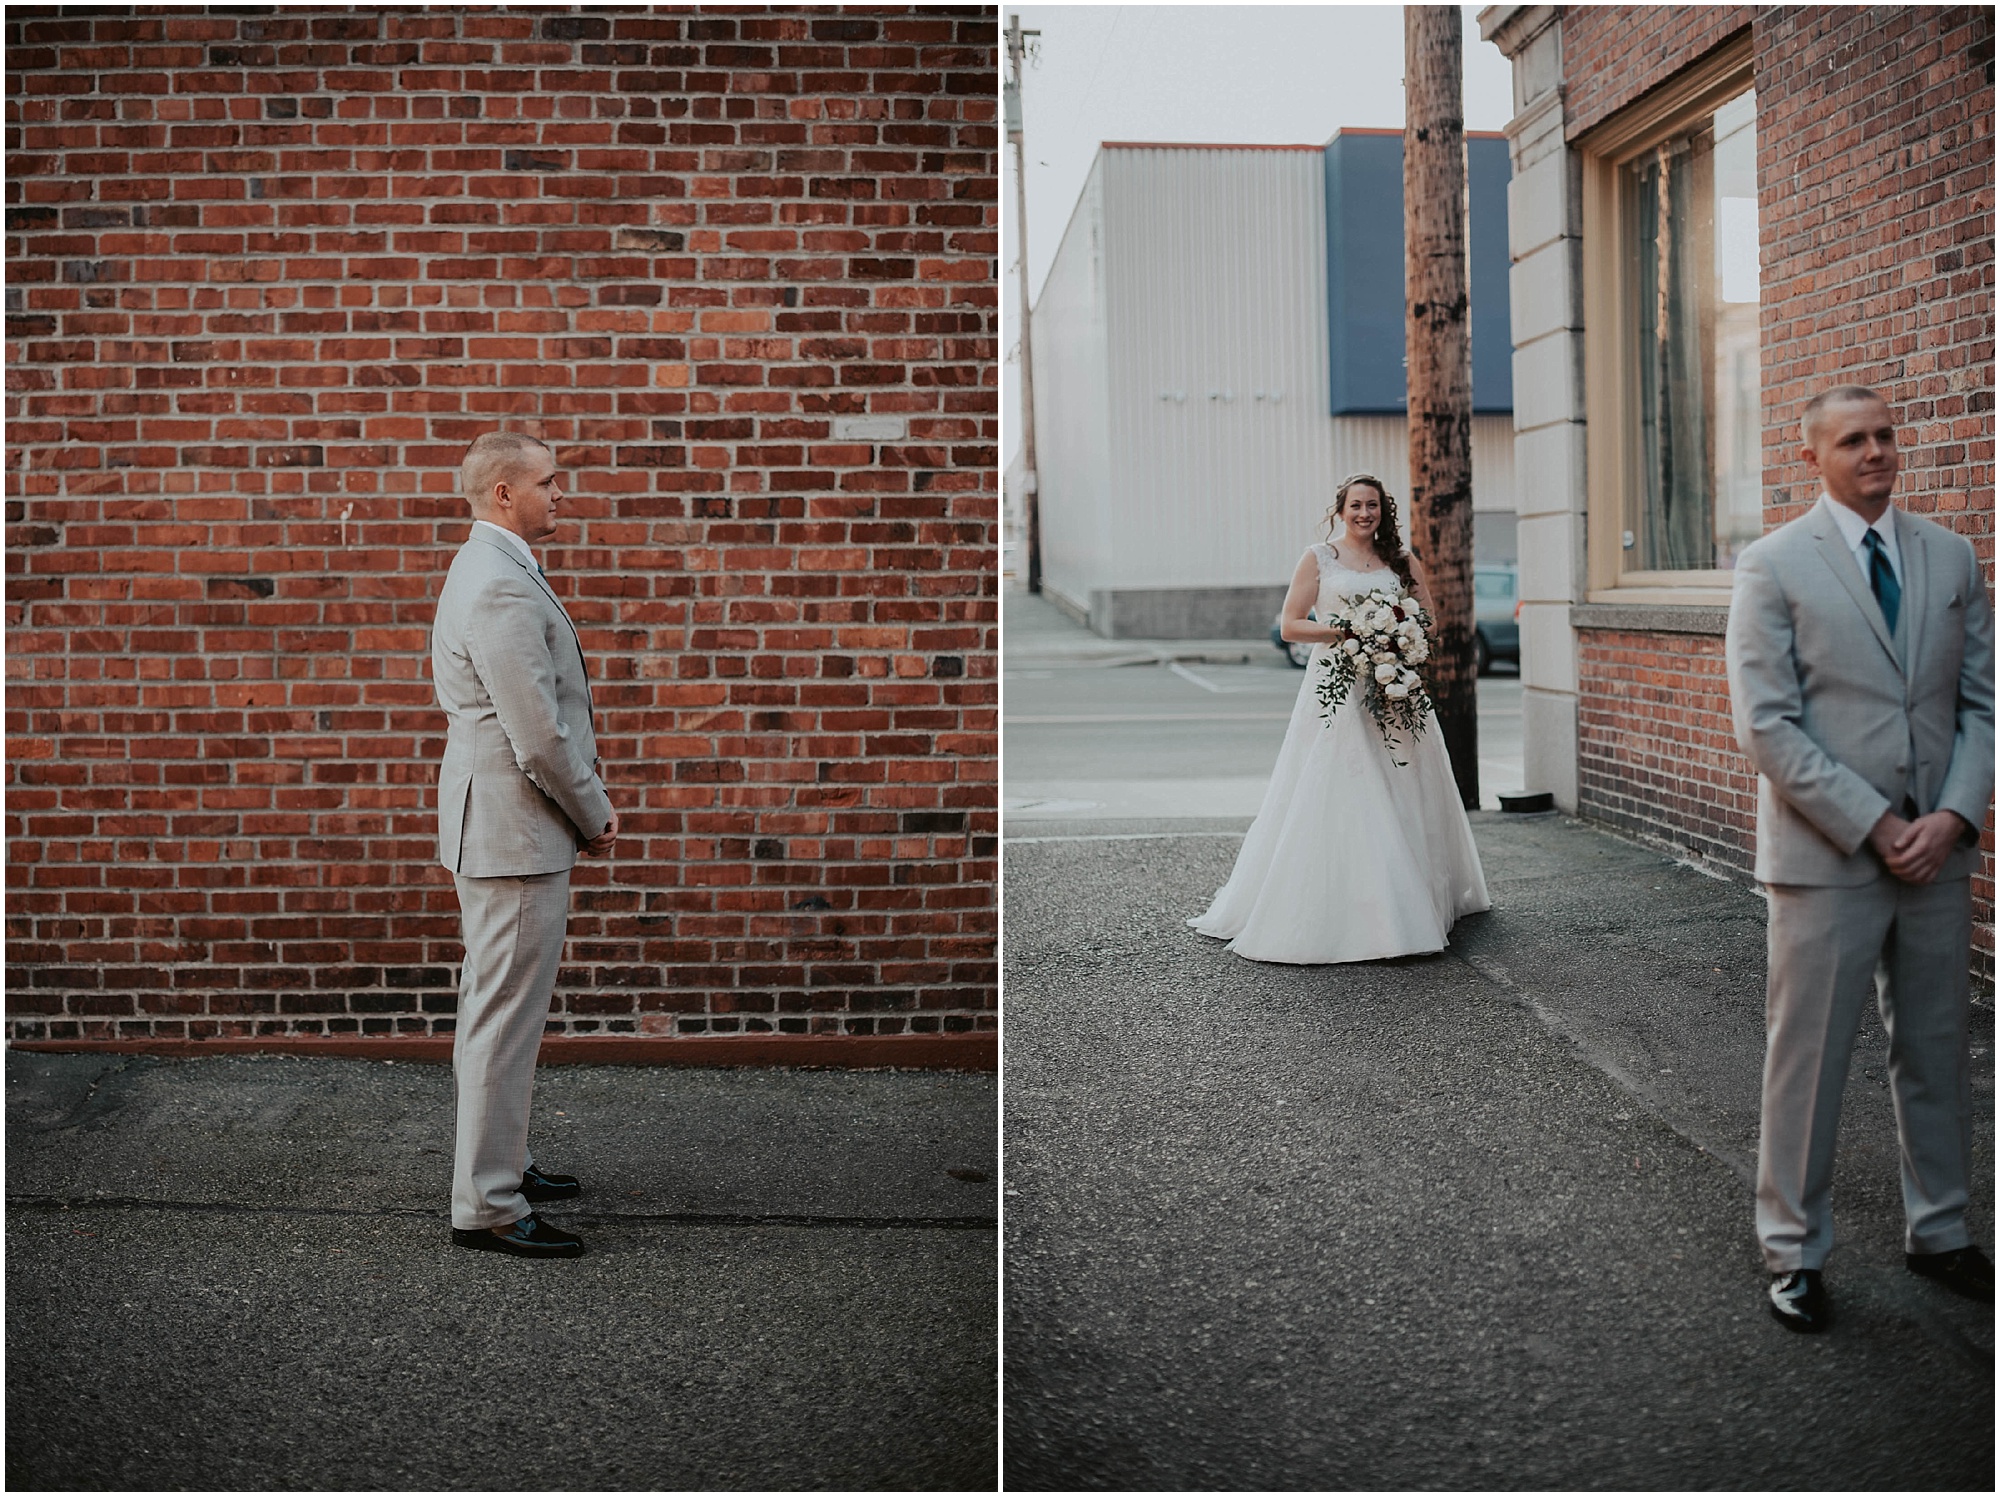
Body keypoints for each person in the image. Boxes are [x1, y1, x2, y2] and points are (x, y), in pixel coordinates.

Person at [1725, 385, 1994, 1332]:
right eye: (1854, 440)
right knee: (1810, 1061)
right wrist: (1878, 824)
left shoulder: (1952, 556)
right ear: (1814, 457)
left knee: (1937, 1053)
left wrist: (1955, 814)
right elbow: (1767, 725)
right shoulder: (1773, 566)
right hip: (1827, 859)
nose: (1876, 451)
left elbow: (1980, 704)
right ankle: (1794, 1253)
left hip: (1938, 855)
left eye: (1885, 435)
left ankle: (1943, 1232)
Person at [432, 431, 618, 1259]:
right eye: (549, 483)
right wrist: (594, 811)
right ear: (505, 492)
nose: (560, 495)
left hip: (505, 826)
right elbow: (537, 736)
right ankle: (490, 1204)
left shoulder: (491, 564)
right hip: (516, 831)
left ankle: (506, 1161)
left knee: (502, 1011)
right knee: (503, 1018)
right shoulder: (498, 585)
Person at [1189, 474, 1489, 963]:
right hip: (1338, 686)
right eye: (1355, 505)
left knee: (1402, 781)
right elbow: (1291, 624)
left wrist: (1398, 637)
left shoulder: (1400, 560)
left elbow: (1428, 618)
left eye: (1372, 505)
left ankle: (1411, 896)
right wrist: (1349, 632)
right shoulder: (1318, 558)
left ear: (1383, 510)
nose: (1363, 513)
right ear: (1341, 509)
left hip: (1394, 685)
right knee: (1346, 782)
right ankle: (1361, 911)